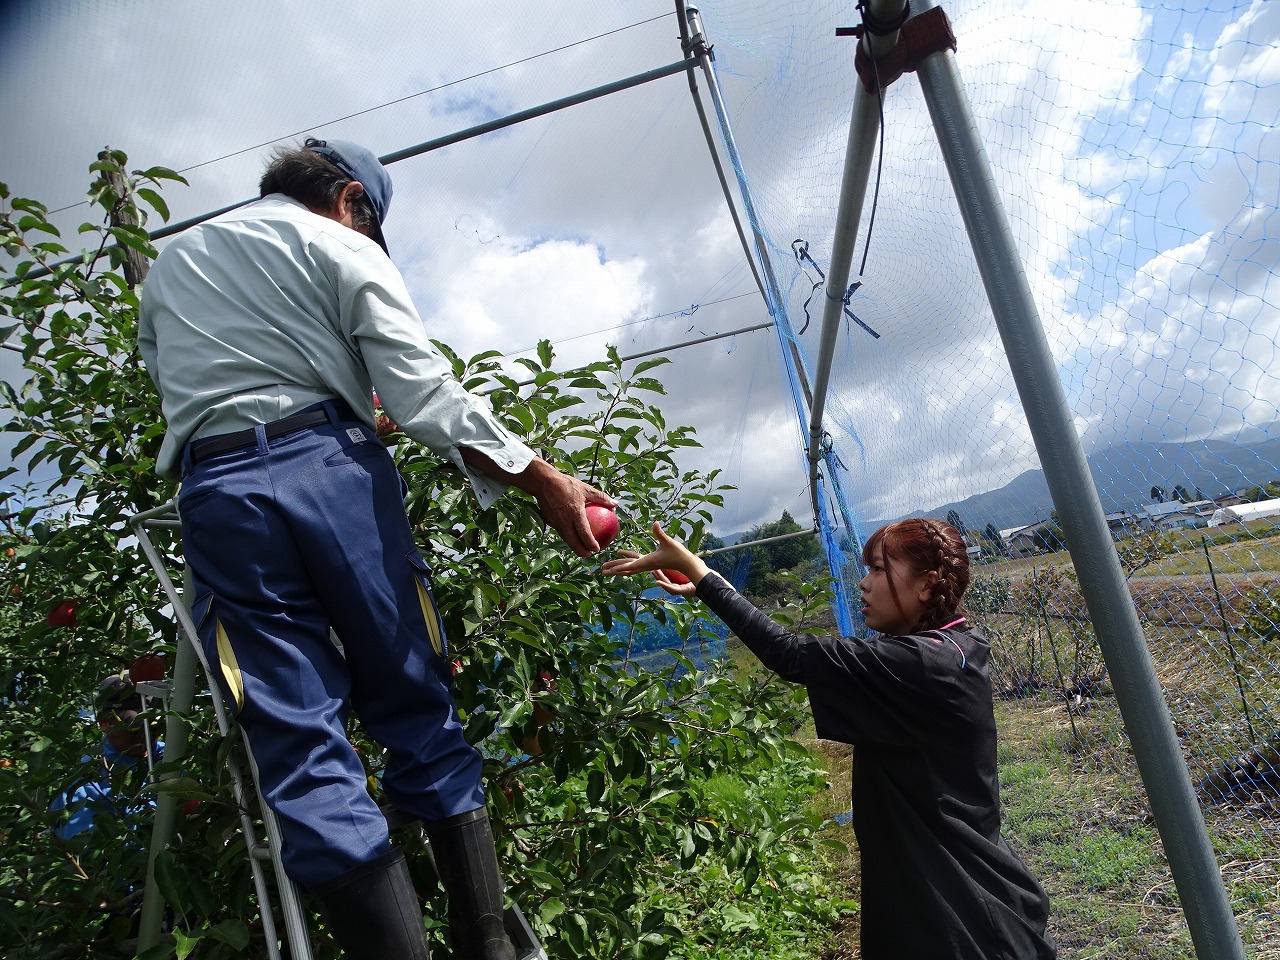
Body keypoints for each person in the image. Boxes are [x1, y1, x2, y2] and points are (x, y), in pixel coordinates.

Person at [138, 138, 615, 960]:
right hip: (333, 479)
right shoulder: (337, 246)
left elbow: (187, 379)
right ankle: (487, 945)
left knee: (298, 741)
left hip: (219, 498)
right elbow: (424, 390)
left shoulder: (174, 265)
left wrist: (316, 401)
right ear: (350, 200)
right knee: (413, 703)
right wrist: (541, 477)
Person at [602, 518, 1057, 960]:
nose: (864, 583)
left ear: (927, 585)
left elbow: (790, 655)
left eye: (879, 569)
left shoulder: (923, 665)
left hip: (960, 915)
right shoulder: (957, 648)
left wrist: (702, 576)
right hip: (954, 889)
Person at [51, 675, 160, 842]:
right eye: (133, 726)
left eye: (151, 724)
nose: (143, 734)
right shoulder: (85, 785)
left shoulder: (173, 758)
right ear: (104, 723)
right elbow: (89, 854)